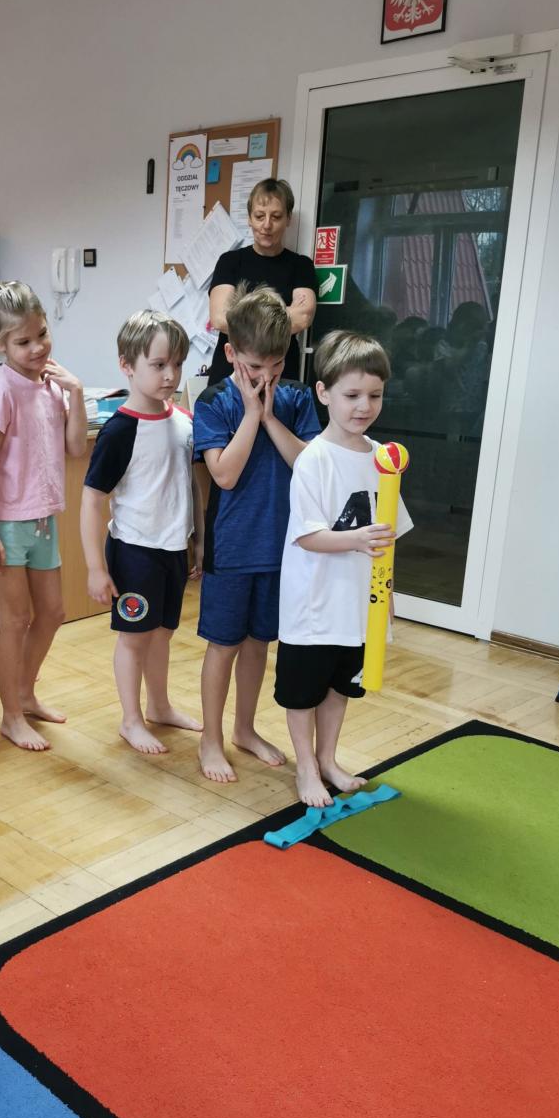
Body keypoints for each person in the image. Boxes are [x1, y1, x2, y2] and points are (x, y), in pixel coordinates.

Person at [275, 331, 412, 807]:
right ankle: (305, 768)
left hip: (358, 606)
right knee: (303, 693)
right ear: (324, 393)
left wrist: (388, 594)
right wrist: (356, 539)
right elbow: (307, 535)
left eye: (374, 395)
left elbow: (388, 536)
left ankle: (328, 759)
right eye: (352, 395)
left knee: (340, 688)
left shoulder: (382, 459)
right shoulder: (314, 460)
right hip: (314, 606)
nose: (364, 406)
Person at [193, 284, 321, 783]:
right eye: (253, 367)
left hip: (281, 548)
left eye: (276, 365)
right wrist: (251, 415)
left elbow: (308, 466)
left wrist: (269, 416)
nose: (265, 377)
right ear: (230, 354)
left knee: (258, 644)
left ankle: (244, 729)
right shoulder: (214, 401)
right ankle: (211, 738)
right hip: (232, 548)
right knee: (223, 645)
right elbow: (224, 475)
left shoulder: (296, 399)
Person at [80, 310, 204, 754]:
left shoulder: (184, 421)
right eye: (158, 364)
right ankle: (130, 719)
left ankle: (159, 705)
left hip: (173, 550)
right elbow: (92, 500)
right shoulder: (120, 430)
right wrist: (96, 568)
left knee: (163, 633)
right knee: (134, 639)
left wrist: (198, 542)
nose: (170, 375)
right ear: (127, 365)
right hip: (135, 552)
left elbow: (190, 487)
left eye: (177, 364)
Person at [0, 280, 87, 751]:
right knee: (15, 620)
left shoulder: (51, 387)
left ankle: (25, 693)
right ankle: (11, 715)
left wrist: (76, 393)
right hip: (7, 525)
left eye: (42, 334)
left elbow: (76, 447)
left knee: (53, 612)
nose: (37, 347)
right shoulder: (0, 391)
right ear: (0, 344)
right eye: (23, 341)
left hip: (43, 520)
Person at [205, 179, 317, 385]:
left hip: (280, 378)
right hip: (230, 377)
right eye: (259, 216)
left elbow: (302, 318)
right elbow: (219, 319)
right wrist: (281, 317)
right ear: (249, 219)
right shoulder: (230, 262)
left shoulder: (301, 265)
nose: (267, 225)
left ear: (288, 219)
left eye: (276, 217)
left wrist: (241, 316)